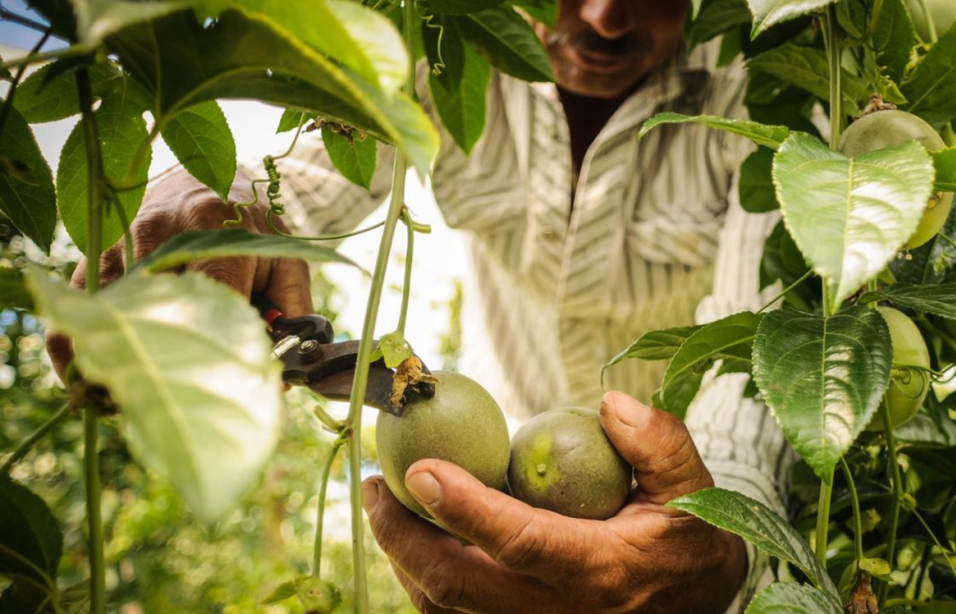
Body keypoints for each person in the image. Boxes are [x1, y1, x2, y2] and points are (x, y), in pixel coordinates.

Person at [48, 0, 793, 612]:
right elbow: (300, 186)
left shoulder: (771, 77)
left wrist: (721, 539)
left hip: (685, 490)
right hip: (497, 489)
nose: (602, 16)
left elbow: (764, 358)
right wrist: (221, 198)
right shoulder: (436, 33)